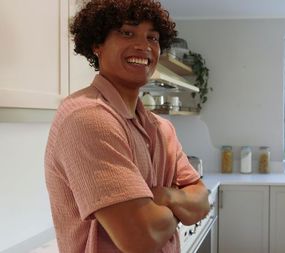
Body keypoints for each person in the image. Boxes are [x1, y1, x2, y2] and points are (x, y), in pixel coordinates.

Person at [44, 0, 210, 252]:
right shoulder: (88, 118)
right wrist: (180, 205)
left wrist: (165, 197)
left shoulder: (161, 128)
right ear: (97, 44)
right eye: (127, 33)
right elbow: (142, 237)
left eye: (152, 38)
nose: (143, 46)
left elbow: (201, 202)